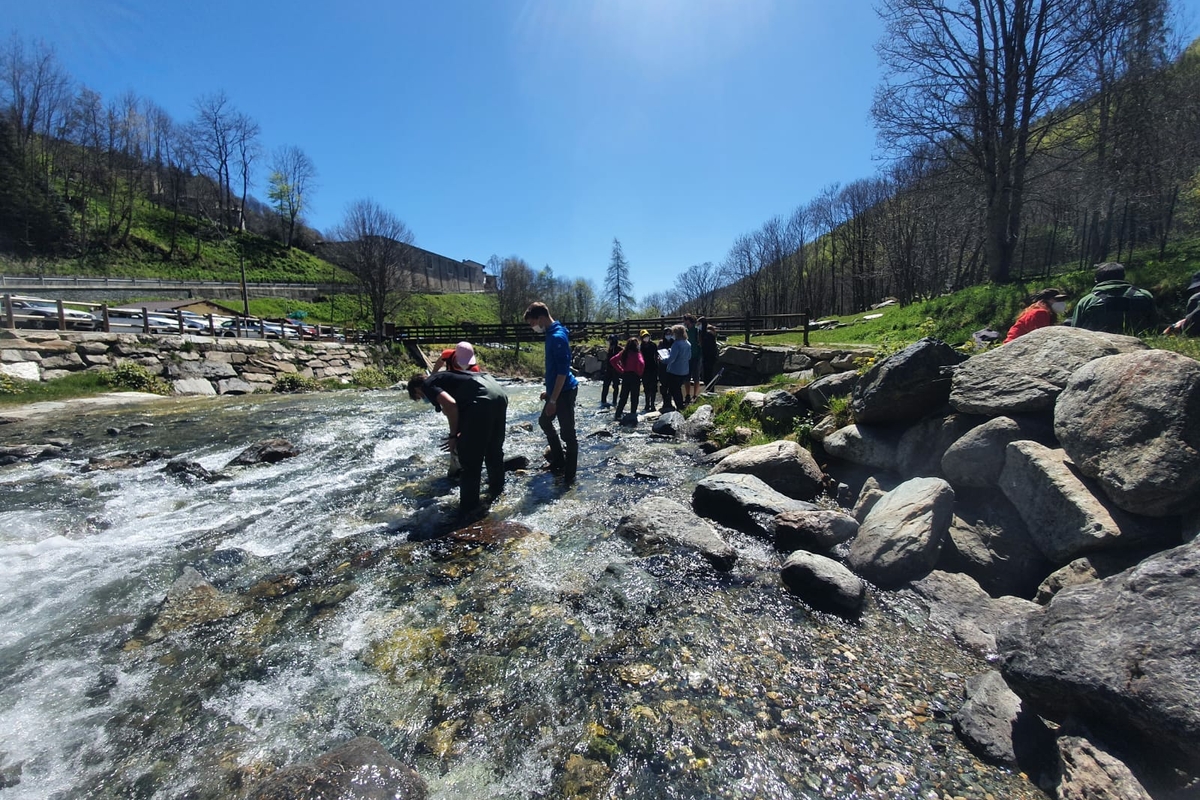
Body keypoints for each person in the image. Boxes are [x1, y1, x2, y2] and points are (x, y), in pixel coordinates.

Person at [407, 368, 508, 518]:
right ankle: (498, 492)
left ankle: (469, 508)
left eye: (419, 396)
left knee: (469, 459)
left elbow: (451, 405)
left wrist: (453, 436)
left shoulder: (428, 384)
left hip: (481, 400)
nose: (423, 398)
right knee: (493, 450)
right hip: (498, 394)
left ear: (417, 388)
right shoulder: (446, 377)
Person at [524, 301, 578, 484]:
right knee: (544, 421)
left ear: (541, 318)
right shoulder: (550, 333)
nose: (532, 327)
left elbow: (563, 372)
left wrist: (553, 400)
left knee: (568, 434)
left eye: (532, 323)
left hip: (565, 392)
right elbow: (555, 370)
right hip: (556, 391)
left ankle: (570, 477)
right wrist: (549, 393)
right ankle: (558, 460)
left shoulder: (557, 337)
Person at [1068, 262, 1156, 334]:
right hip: (1139, 349)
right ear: (1123, 277)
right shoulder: (1145, 295)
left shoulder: (1087, 301)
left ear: (1096, 280)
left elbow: (1075, 331)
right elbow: (1154, 323)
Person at [1003, 288, 1068, 343]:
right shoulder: (1040, 313)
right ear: (1045, 300)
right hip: (1014, 345)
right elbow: (1039, 337)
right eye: (1057, 300)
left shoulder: (1041, 311)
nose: (1061, 302)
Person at [609, 336, 644, 420]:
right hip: (635, 376)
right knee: (634, 397)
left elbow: (612, 360)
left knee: (623, 397)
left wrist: (621, 370)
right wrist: (640, 373)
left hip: (626, 375)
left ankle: (617, 415)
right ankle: (632, 415)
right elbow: (641, 363)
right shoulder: (637, 354)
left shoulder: (624, 353)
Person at [661, 323, 691, 413]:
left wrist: (662, 360)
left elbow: (671, 359)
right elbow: (689, 357)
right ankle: (679, 406)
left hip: (675, 371)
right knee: (677, 388)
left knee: (675, 390)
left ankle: (680, 407)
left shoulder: (676, 344)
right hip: (684, 370)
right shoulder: (688, 343)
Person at [1163, 270, 1200, 336]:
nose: (1196, 291)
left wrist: (1178, 327)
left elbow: (1192, 326)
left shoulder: (1195, 298)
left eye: (1198, 288)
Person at [638, 329, 659, 412]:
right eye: (644, 337)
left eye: (647, 336)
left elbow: (656, 355)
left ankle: (653, 404)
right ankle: (647, 404)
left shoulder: (653, 345)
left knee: (653, 387)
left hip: (653, 368)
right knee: (646, 387)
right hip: (644, 369)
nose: (646, 338)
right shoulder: (640, 347)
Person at [683, 314, 701, 403]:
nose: (684, 322)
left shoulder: (697, 331)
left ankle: (695, 395)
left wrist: (700, 355)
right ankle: (687, 395)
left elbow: (700, 343)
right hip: (686, 357)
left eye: (685, 320)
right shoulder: (684, 331)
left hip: (696, 356)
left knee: (696, 377)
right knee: (686, 377)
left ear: (689, 321)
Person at [599, 333, 621, 408]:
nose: (609, 342)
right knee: (605, 386)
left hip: (615, 370)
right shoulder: (610, 348)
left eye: (610, 340)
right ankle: (603, 401)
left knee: (616, 386)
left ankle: (614, 401)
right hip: (608, 370)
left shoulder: (619, 349)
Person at [698, 317, 719, 390]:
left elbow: (711, 347)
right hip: (705, 356)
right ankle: (709, 389)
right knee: (706, 375)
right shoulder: (703, 333)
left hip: (709, 357)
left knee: (709, 374)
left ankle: (711, 390)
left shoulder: (709, 334)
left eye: (699, 324)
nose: (698, 326)